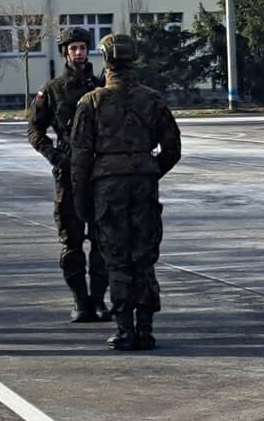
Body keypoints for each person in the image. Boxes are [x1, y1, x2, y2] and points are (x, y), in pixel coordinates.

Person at [70, 34, 181, 351]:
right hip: (144, 185)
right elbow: (172, 148)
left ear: (106, 61)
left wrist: (82, 200)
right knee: (144, 257)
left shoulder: (92, 102)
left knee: (116, 258)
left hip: (108, 187)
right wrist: (148, 169)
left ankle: (124, 329)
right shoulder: (152, 99)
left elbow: (80, 158)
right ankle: (145, 329)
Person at [27, 27, 110, 323]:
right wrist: (54, 156)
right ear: (65, 52)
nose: (79, 53)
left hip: (99, 172)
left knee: (102, 241)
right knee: (71, 242)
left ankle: (99, 300)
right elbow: (34, 129)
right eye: (73, 48)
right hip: (69, 172)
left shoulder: (101, 86)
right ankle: (80, 301)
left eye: (83, 48)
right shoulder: (53, 89)